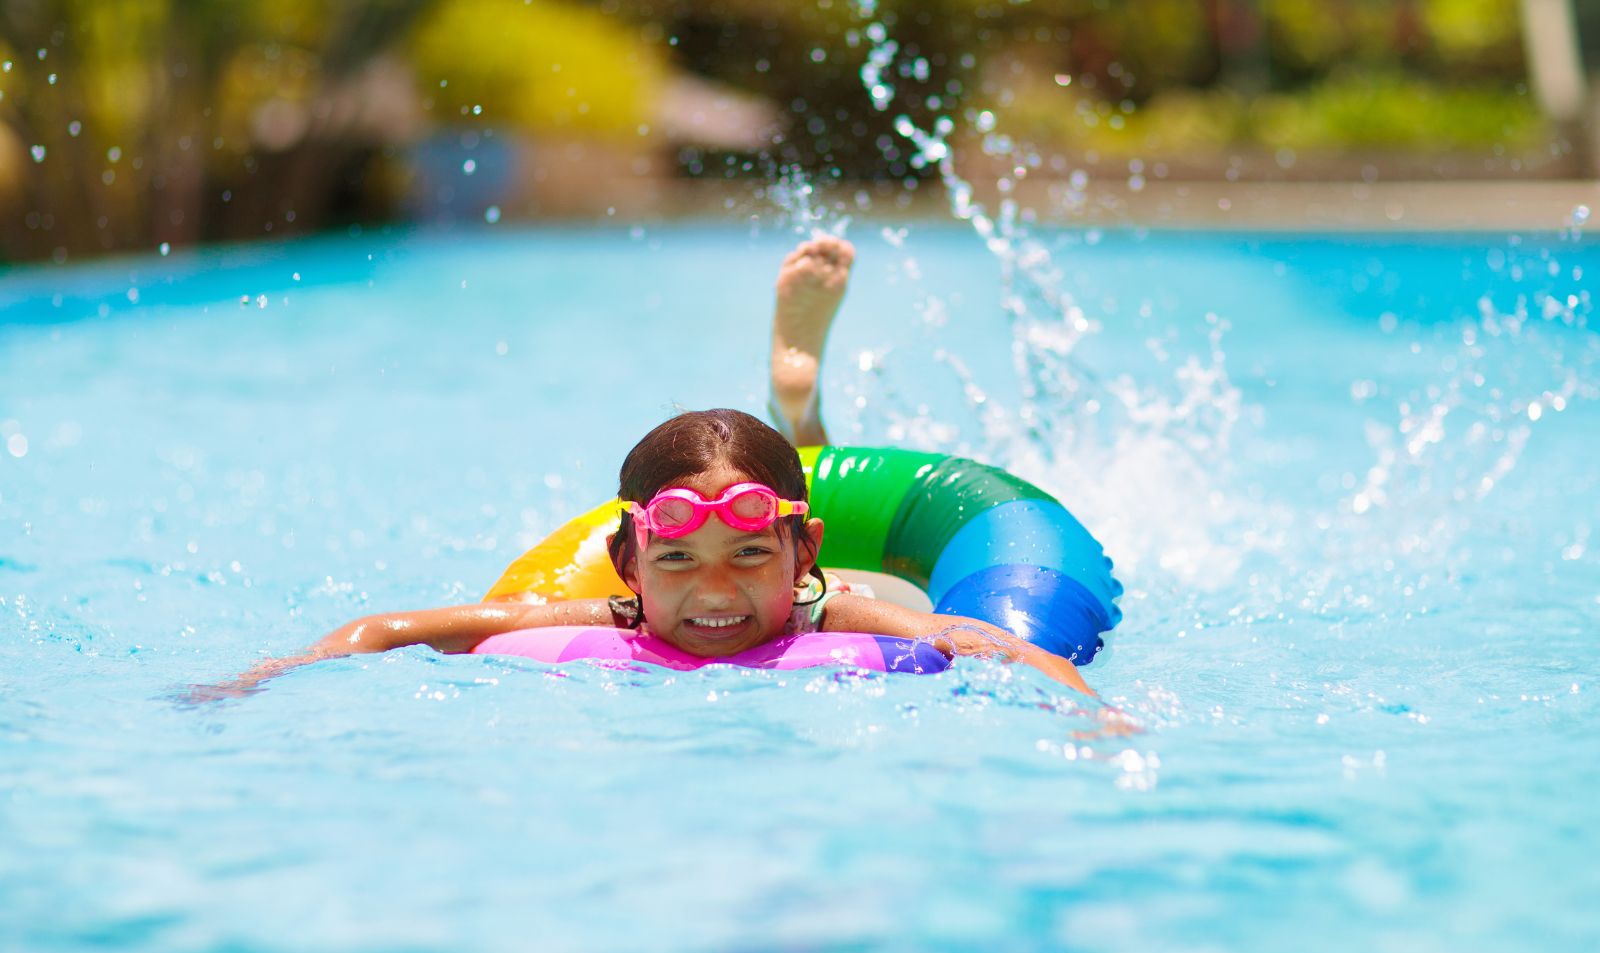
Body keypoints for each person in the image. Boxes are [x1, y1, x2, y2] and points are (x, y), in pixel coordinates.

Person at [191, 237, 1102, 702]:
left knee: (806, 475)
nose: (718, 593)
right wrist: (270, 676)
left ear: (801, 553)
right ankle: (797, 410)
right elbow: (387, 628)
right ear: (628, 563)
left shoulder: (840, 606)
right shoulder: (601, 609)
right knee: (776, 487)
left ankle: (801, 408)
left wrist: (1093, 716)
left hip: (867, 570)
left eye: (751, 558)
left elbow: (992, 644)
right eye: (676, 561)